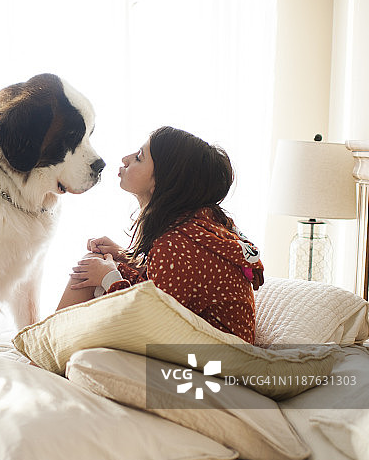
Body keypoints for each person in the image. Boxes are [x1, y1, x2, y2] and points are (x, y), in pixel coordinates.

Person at [56, 126, 264, 345]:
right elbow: (169, 288)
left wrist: (109, 277)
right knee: (96, 263)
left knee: (92, 267)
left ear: (162, 181)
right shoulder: (195, 228)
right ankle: (46, 351)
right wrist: (127, 257)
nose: (125, 159)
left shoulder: (178, 244)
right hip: (200, 342)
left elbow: (152, 320)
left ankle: (42, 354)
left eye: (139, 157)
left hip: (210, 357)